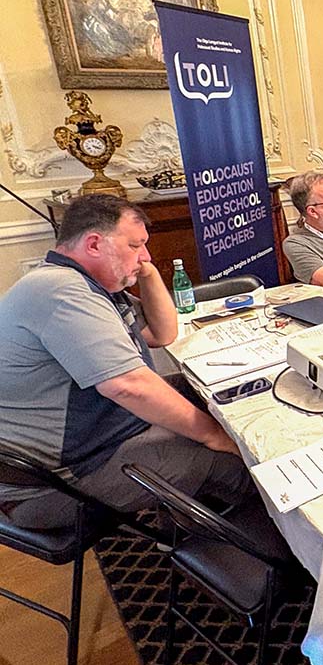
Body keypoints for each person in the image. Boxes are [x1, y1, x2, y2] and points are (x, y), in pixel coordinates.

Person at [0, 195, 253, 530]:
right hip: (54, 485)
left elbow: (162, 333)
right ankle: (269, 563)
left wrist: (145, 271)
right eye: (136, 245)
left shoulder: (90, 285)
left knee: (211, 394)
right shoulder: (62, 292)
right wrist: (214, 436)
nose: (145, 256)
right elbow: (128, 386)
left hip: (93, 441)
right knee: (235, 464)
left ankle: (182, 523)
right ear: (94, 244)